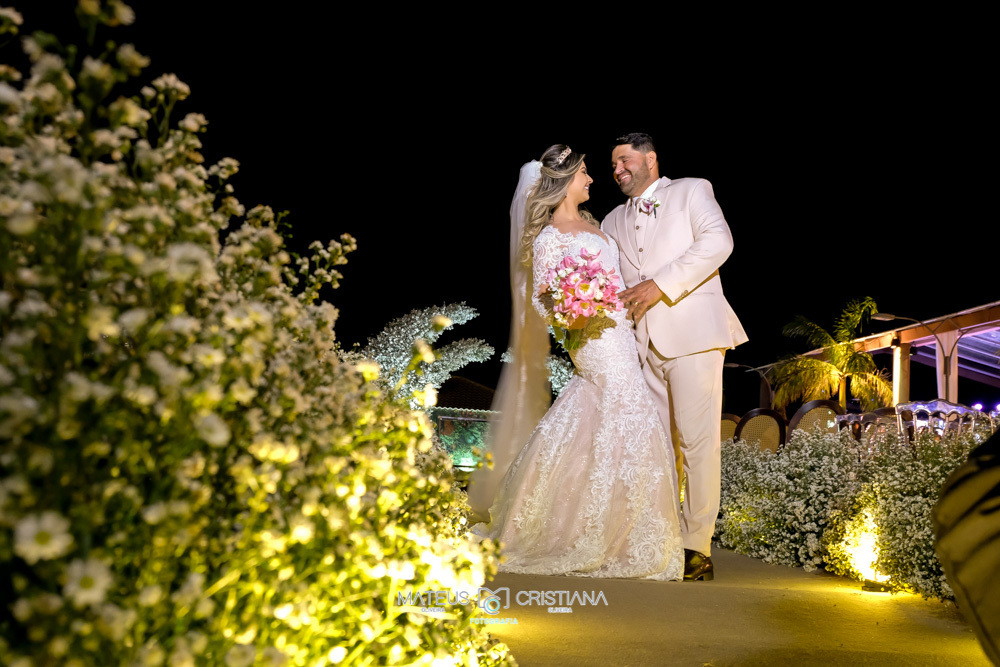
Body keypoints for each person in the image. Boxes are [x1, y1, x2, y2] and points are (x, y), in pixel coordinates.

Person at [468, 144, 684, 581]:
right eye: (584, 171)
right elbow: (542, 299)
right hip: (592, 337)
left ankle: (606, 524)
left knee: (603, 415)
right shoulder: (550, 237)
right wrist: (575, 311)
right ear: (565, 181)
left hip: (620, 331)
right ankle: (606, 531)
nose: (591, 178)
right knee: (627, 408)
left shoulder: (593, 224)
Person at [602, 132, 748, 581]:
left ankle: (696, 546)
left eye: (624, 160)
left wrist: (660, 284)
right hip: (642, 345)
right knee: (658, 447)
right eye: (613, 165)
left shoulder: (691, 190)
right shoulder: (610, 219)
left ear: (650, 159)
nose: (617, 170)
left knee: (697, 442)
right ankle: (661, 538)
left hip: (694, 336)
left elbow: (718, 242)